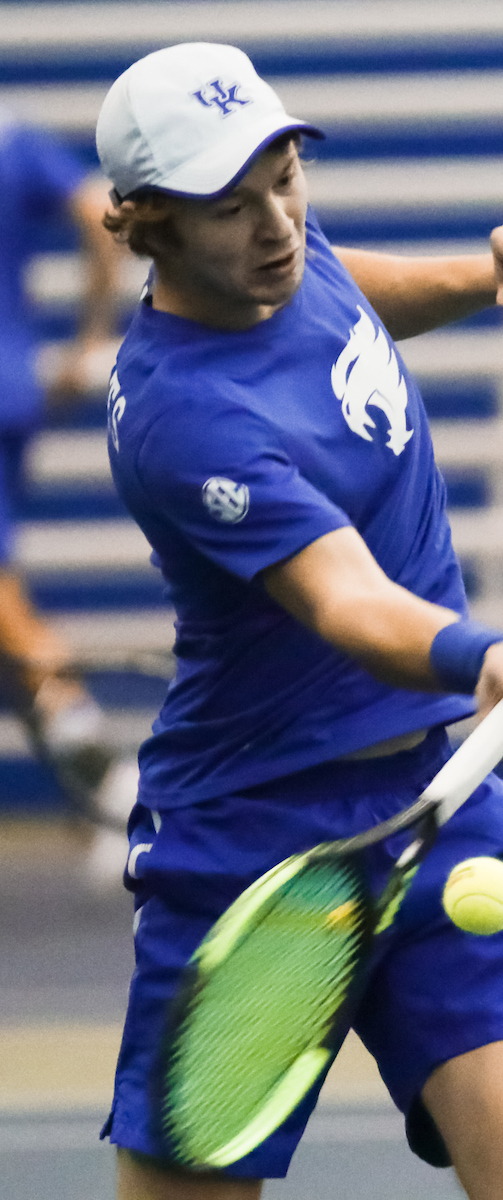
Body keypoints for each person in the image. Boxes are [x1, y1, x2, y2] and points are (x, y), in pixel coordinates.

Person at [95, 42, 503, 1200]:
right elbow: (343, 597)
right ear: (145, 226)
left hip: (432, 797)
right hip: (257, 841)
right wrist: (486, 655)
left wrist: (481, 275)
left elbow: (336, 292)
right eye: (232, 205)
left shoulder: (272, 256)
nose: (275, 222)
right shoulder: (185, 421)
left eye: (285, 177)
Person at [0, 105, 136, 883]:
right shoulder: (15, 139)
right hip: (15, 386)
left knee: (8, 613)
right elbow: (101, 215)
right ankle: (100, 808)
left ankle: (124, 799)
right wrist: (90, 338)